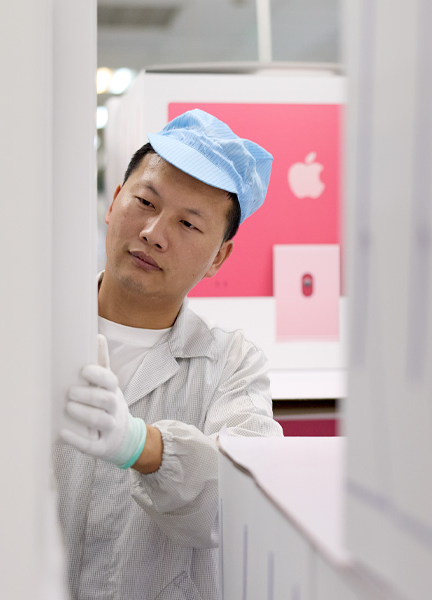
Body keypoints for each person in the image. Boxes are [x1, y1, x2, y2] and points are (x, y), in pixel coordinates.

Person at [55, 109, 284, 599]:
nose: (154, 233)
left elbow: (239, 504)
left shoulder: (232, 364)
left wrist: (141, 446)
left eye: (188, 223)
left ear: (218, 257)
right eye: (144, 201)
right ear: (115, 202)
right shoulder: (33, 329)